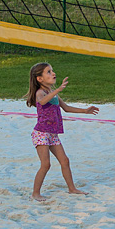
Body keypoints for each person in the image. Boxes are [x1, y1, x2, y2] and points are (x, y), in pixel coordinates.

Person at [24, 62, 99, 202]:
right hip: (41, 133)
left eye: (52, 70)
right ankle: (35, 193)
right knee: (46, 164)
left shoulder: (53, 94)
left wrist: (85, 111)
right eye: (48, 72)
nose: (53, 73)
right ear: (39, 79)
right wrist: (57, 90)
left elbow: (67, 108)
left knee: (65, 160)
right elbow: (41, 102)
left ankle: (72, 189)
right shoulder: (40, 92)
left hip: (52, 134)